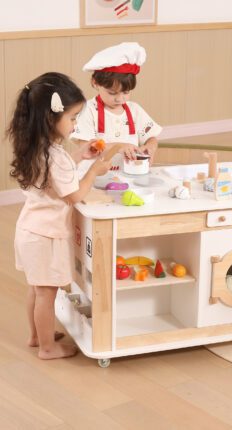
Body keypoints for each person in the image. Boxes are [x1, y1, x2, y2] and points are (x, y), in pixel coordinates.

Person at [7, 72, 111, 360]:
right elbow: (74, 195)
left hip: (30, 230)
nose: (76, 124)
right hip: (46, 237)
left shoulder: (37, 148)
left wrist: (80, 155)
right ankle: (47, 348)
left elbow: (56, 173)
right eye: (73, 117)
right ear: (51, 118)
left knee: (37, 288)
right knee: (47, 293)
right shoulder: (54, 157)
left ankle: (35, 336)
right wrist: (93, 171)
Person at [71, 42, 162, 171]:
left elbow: (151, 137)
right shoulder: (87, 110)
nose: (120, 99)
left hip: (128, 175)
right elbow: (86, 146)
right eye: (112, 93)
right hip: (93, 177)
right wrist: (119, 147)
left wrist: (150, 147)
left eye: (126, 92)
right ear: (95, 83)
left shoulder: (135, 110)